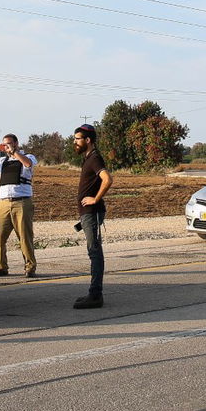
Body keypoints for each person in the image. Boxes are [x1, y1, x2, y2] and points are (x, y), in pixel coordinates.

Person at [0, 134, 38, 277]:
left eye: (9, 143)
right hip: (3, 203)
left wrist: (14, 152)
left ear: (16, 143)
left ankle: (30, 267)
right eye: (4, 144)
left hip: (22, 201)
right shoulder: (2, 161)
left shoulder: (28, 156)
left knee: (25, 236)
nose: (6, 146)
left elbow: (28, 164)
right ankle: (1, 266)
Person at [71, 123, 113, 309]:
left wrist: (95, 199)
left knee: (94, 252)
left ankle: (95, 295)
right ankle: (94, 293)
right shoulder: (88, 157)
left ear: (87, 140)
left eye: (77, 139)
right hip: (87, 214)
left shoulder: (95, 158)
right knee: (93, 251)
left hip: (92, 212)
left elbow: (108, 179)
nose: (75, 142)